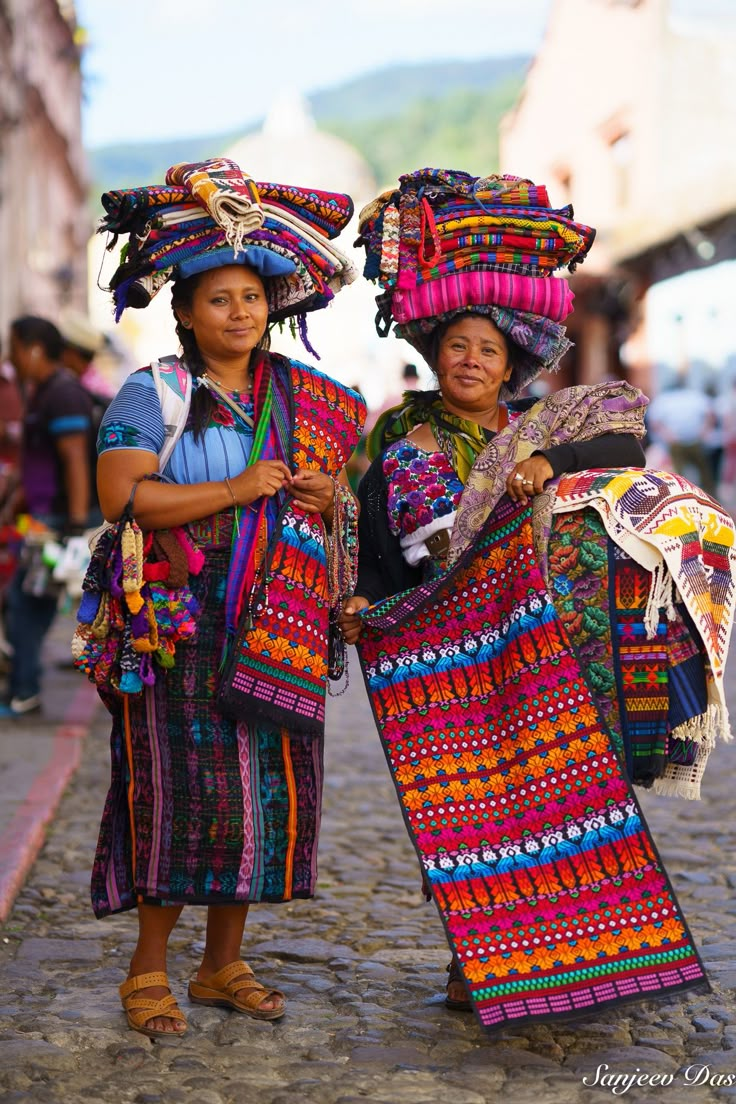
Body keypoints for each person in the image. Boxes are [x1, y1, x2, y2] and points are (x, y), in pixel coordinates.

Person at [339, 169, 732, 1033]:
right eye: (458, 346)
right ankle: (476, 963)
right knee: (474, 809)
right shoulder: (403, 437)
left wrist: (547, 468)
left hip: (538, 639)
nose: (471, 360)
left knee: (561, 795)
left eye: (489, 350)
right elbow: (394, 538)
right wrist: (385, 596)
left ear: (513, 361)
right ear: (434, 352)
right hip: (450, 650)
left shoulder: (539, 429)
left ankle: (575, 959)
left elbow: (624, 429)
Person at [87, 160, 364, 1039]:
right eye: (219, 299)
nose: (239, 312)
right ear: (184, 312)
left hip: (277, 621)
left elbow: (333, 502)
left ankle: (222, 966)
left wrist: (327, 500)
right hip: (180, 624)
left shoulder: (303, 399)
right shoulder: (154, 393)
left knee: (260, 796)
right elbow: (123, 499)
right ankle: (147, 971)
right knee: (177, 792)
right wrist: (240, 489)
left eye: (251, 296)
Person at [0, 317, 93, 718]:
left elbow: (74, 459)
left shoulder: (63, 393)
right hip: (42, 519)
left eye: (15, 346)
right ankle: (23, 687)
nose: (11, 356)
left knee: (25, 603)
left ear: (35, 348)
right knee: (27, 604)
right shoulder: (42, 392)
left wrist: (73, 523)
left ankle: (24, 690)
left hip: (56, 522)